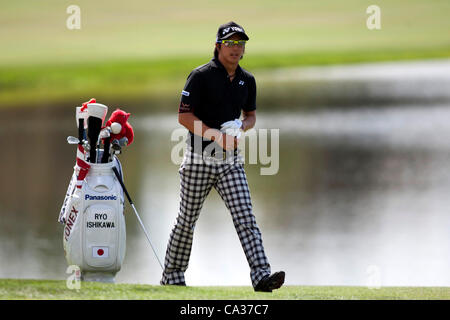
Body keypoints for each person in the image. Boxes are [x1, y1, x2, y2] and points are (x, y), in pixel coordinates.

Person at [160, 21, 285, 292]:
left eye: (240, 44)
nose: (235, 48)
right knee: (186, 221)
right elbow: (184, 116)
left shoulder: (247, 80)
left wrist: (242, 126)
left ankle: (262, 277)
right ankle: (172, 277)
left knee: (245, 217)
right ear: (218, 46)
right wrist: (215, 135)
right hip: (198, 159)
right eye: (230, 43)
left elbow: (250, 116)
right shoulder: (200, 76)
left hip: (230, 161)